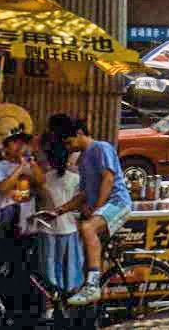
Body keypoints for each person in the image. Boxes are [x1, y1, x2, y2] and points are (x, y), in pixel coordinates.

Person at [49, 117, 133, 306]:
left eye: (69, 142)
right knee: (85, 245)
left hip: (118, 203)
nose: (68, 148)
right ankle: (92, 295)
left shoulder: (101, 148)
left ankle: (93, 286)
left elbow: (108, 179)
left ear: (80, 133)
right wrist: (59, 210)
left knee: (88, 228)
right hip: (104, 207)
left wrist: (96, 208)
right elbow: (84, 195)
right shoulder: (83, 158)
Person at [35, 132, 83, 294]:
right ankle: (68, 298)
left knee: (48, 270)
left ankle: (51, 300)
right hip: (69, 229)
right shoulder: (76, 179)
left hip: (47, 230)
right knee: (69, 269)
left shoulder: (44, 179)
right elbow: (80, 204)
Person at [0, 127, 43, 234]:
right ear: (5, 148)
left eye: (22, 142)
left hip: (27, 222)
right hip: (3, 221)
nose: (20, 145)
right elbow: (2, 188)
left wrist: (31, 162)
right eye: (14, 142)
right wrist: (21, 167)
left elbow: (41, 182)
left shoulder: (31, 165)